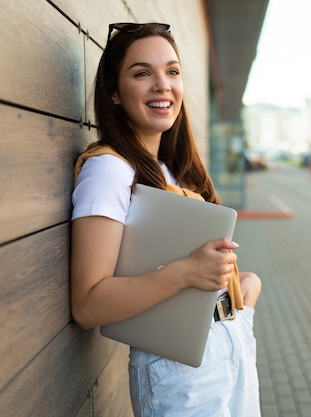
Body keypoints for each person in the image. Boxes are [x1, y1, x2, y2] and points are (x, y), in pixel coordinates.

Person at [70, 22, 262, 417]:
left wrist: (241, 294)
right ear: (114, 92)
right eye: (142, 73)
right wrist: (187, 273)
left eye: (172, 71)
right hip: (180, 369)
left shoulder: (174, 172)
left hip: (229, 344)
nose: (163, 85)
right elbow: (88, 305)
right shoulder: (109, 170)